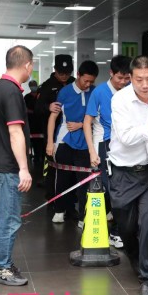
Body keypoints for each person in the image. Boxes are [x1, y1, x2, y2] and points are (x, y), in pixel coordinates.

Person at [108, 55, 148, 295]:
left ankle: (146, 277)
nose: (145, 85)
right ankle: (133, 255)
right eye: (139, 79)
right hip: (122, 172)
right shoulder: (120, 99)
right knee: (126, 226)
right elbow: (126, 138)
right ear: (130, 78)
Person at [0, 45, 33, 286]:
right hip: (7, 166)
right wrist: (23, 168)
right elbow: (15, 132)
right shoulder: (12, 92)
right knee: (10, 219)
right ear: (27, 65)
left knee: (4, 215)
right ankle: (2, 268)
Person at [83, 55, 132, 249]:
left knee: (122, 188)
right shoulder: (100, 92)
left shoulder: (132, 90)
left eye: (127, 78)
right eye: (120, 77)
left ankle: (118, 230)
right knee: (108, 188)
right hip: (103, 144)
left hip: (126, 145)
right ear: (111, 73)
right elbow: (87, 122)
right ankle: (111, 229)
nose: (123, 82)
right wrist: (91, 151)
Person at [46, 60, 98, 225]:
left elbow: (98, 118)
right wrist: (50, 142)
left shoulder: (95, 92)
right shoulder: (65, 92)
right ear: (78, 75)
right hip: (64, 140)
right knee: (62, 178)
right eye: (85, 81)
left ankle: (83, 217)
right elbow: (53, 117)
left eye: (91, 82)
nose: (87, 84)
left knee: (84, 182)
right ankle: (59, 210)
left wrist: (81, 125)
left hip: (86, 142)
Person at [35, 54, 75, 197]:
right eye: (61, 73)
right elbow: (37, 108)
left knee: (71, 165)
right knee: (52, 164)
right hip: (52, 132)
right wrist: (48, 107)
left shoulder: (74, 83)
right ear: (55, 70)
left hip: (72, 131)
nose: (64, 76)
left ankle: (71, 195)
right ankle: (52, 196)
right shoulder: (46, 86)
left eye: (67, 73)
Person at [24, 80, 43, 163]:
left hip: (41, 122)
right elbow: (24, 109)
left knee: (41, 142)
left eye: (34, 85)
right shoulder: (27, 97)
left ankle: (41, 157)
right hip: (31, 122)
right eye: (31, 85)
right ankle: (35, 156)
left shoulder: (41, 96)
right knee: (33, 141)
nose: (33, 87)